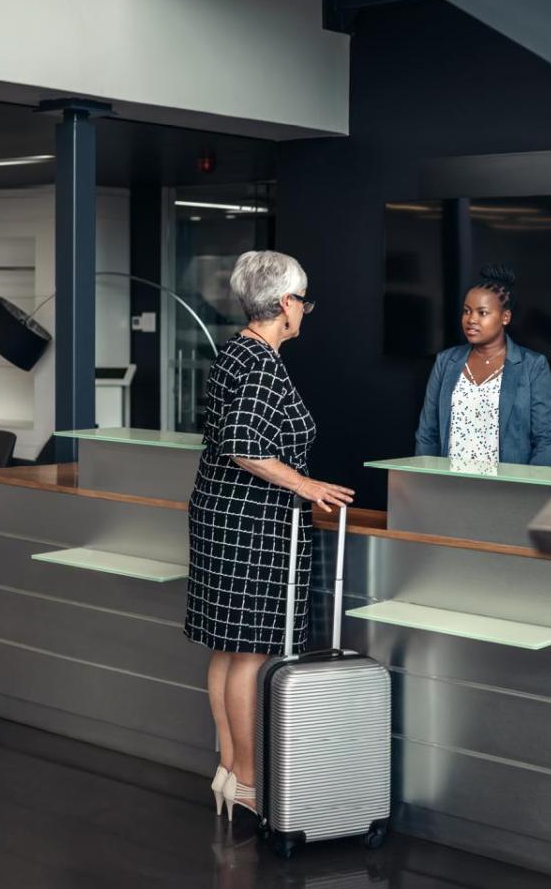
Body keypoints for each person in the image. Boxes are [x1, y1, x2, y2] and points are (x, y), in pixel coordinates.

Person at [184, 250, 354, 821]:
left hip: (220, 514)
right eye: (302, 302)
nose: (305, 311)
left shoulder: (236, 351)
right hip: (251, 523)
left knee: (227, 649)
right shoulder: (261, 363)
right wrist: (307, 485)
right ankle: (252, 783)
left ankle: (230, 771)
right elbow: (246, 446)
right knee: (251, 654)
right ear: (285, 304)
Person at [415, 264, 551, 467]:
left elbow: (547, 440)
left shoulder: (532, 366)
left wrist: (529, 491)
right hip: (448, 486)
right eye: (467, 311)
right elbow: (427, 434)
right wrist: (424, 482)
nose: (471, 319)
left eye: (482, 313)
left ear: (505, 317)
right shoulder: (446, 362)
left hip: (506, 491)